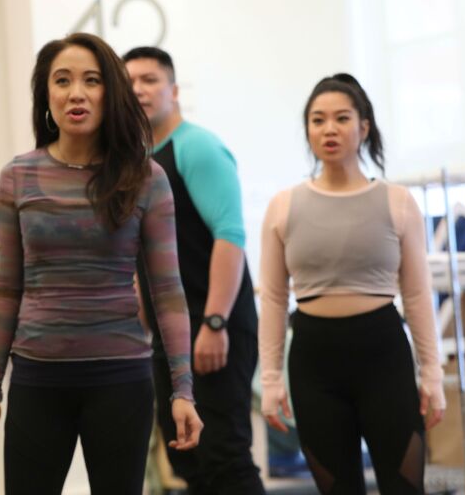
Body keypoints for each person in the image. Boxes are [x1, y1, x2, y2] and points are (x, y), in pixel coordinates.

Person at [0, 33, 203, 495]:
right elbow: (6, 288)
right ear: (47, 95)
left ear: (109, 92)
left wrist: (183, 391)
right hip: (38, 378)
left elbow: (167, 291)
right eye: (62, 80)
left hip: (120, 379)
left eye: (91, 80)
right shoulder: (18, 176)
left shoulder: (145, 177)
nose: (76, 92)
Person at [259, 73, 445, 494]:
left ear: (363, 127)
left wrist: (432, 375)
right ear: (307, 130)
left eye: (341, 118)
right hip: (313, 359)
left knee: (404, 488)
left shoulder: (397, 202)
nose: (329, 129)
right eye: (317, 120)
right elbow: (272, 298)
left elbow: (417, 294)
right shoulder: (283, 206)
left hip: (383, 354)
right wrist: (270, 381)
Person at [124, 46, 265, 494]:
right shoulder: (134, 161)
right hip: (170, 336)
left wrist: (215, 321)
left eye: (149, 79)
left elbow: (230, 236)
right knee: (187, 460)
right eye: (129, 83)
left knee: (225, 456)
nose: (139, 90)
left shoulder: (196, 147)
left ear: (174, 90)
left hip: (214, 328)